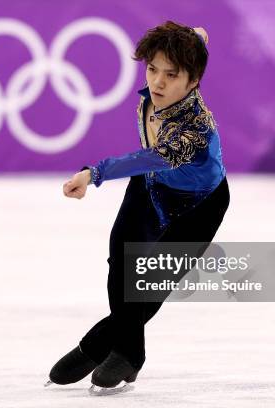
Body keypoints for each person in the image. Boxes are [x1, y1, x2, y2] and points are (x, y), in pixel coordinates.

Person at [48, 21, 229, 394]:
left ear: (193, 81)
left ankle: (100, 346)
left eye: (171, 75)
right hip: (151, 188)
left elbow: (152, 157)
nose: (158, 83)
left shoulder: (194, 128)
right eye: (152, 70)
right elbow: (198, 39)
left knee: (149, 281)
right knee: (121, 264)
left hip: (200, 204)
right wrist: (196, 37)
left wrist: (94, 173)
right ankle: (128, 352)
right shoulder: (157, 92)